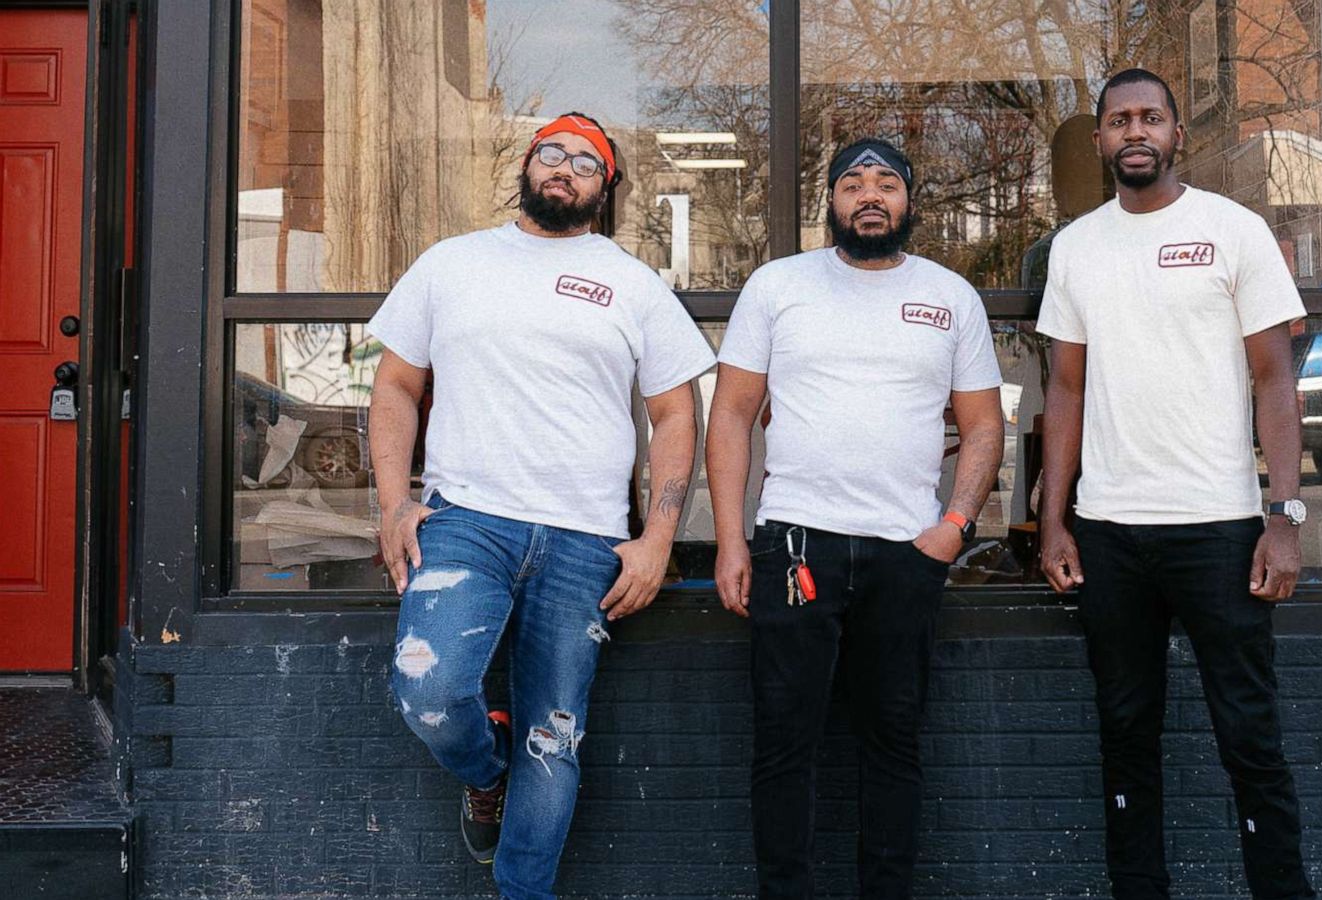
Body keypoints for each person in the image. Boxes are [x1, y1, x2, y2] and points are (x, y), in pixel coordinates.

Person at [367, 112, 715, 900]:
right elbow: (394, 386)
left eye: (586, 163)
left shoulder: (632, 282)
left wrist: (658, 537)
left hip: (586, 540)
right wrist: (393, 505)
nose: (565, 168)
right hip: (466, 523)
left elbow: (676, 413)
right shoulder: (451, 264)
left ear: (606, 189)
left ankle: (525, 892)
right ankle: (483, 772)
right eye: (552, 153)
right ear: (527, 164)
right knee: (429, 692)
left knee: (553, 740)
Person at [1036, 70, 1318, 899]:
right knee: (1125, 734)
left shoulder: (1233, 231)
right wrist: (1054, 523)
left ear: (1175, 134)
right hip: (1110, 535)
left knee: (1250, 738)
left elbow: (1275, 382)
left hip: (1220, 530)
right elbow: (1066, 390)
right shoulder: (1076, 248)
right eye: (1119, 120)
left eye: (1150, 117)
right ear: (1099, 142)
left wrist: (1285, 515)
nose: (1135, 132)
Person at [706, 138, 1006, 899]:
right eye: (852, 184)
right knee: (783, 744)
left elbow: (983, 424)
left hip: (907, 552)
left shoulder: (950, 296)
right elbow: (732, 415)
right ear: (829, 202)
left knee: (894, 745)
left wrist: (956, 524)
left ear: (908, 201)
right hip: (796, 543)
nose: (869, 196)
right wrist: (732, 540)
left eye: (886, 184)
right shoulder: (779, 286)